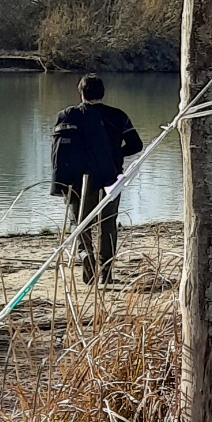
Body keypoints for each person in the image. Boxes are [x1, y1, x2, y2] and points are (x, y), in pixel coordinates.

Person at [51, 75, 142, 280]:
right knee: (107, 224)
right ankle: (106, 272)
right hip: (111, 178)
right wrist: (117, 154)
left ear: (81, 93)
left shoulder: (68, 116)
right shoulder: (118, 116)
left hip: (77, 179)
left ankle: (87, 260)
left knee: (79, 223)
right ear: (103, 93)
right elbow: (136, 145)